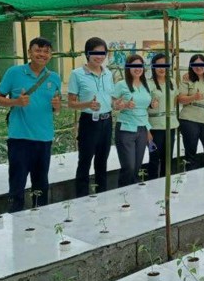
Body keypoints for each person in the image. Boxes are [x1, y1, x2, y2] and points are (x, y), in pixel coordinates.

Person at [0, 37, 62, 212]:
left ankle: (41, 222)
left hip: (44, 138)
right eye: (38, 50)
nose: (42, 54)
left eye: (46, 51)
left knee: (41, 185)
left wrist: (57, 106)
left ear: (51, 55)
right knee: (17, 184)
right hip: (20, 139)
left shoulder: (54, 78)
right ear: (30, 52)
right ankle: (16, 222)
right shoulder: (14, 72)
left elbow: (56, 107)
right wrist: (16, 102)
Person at [67, 37, 120, 197]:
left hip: (106, 120)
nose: (100, 57)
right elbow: (71, 103)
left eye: (103, 53)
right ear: (87, 54)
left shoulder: (108, 74)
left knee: (102, 161)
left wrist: (118, 103)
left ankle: (101, 194)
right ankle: (81, 197)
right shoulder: (77, 74)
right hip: (89, 122)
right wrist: (87, 104)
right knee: (85, 161)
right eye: (95, 53)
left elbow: (111, 98)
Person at [113, 54, 156, 187]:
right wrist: (124, 105)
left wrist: (152, 104)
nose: (137, 69)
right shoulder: (121, 84)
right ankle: (123, 194)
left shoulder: (146, 84)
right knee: (129, 167)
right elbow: (113, 104)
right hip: (126, 129)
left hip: (142, 130)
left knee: (137, 167)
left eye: (140, 66)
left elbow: (144, 108)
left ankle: (132, 197)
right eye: (133, 66)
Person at [178, 54, 204, 170]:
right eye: (195, 65)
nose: (199, 67)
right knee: (191, 153)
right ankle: (191, 177)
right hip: (190, 119)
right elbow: (180, 99)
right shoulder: (187, 79)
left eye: (201, 64)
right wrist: (194, 97)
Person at [146, 53, 179, 179]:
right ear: (153, 67)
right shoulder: (148, 84)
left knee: (168, 158)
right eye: (158, 65)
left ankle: (166, 184)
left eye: (165, 65)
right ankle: (152, 183)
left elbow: (175, 99)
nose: (161, 68)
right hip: (154, 127)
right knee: (154, 157)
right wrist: (150, 105)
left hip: (170, 125)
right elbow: (143, 105)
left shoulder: (171, 82)